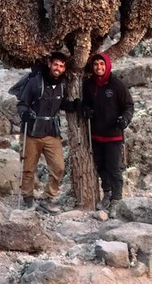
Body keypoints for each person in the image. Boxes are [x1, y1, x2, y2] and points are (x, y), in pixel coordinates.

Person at [16, 52, 76, 213]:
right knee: (28, 168)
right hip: (32, 132)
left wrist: (74, 106)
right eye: (56, 64)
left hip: (51, 132)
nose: (58, 68)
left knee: (59, 167)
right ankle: (27, 198)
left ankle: (47, 198)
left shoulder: (63, 85)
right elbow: (22, 104)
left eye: (62, 66)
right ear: (49, 63)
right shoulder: (35, 83)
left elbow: (61, 104)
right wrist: (25, 114)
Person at [81, 52, 134, 212]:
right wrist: (85, 111)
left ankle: (117, 199)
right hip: (96, 135)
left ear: (107, 65)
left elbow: (128, 105)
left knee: (114, 168)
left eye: (102, 64)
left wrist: (125, 119)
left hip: (114, 135)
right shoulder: (89, 85)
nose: (99, 67)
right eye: (96, 64)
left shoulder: (117, 85)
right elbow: (84, 104)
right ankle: (107, 193)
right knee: (101, 167)